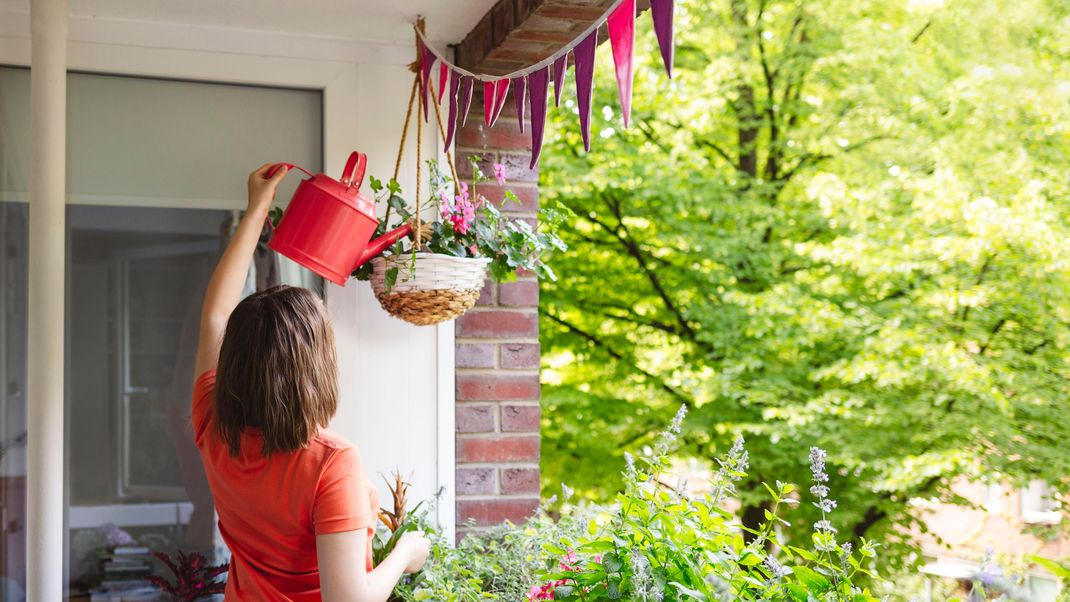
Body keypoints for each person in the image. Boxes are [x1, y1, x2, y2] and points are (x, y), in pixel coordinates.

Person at [191, 163, 429, 601]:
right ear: (315, 366)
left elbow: (214, 317)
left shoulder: (213, 425)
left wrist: (256, 209)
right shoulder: (331, 463)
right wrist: (407, 553)